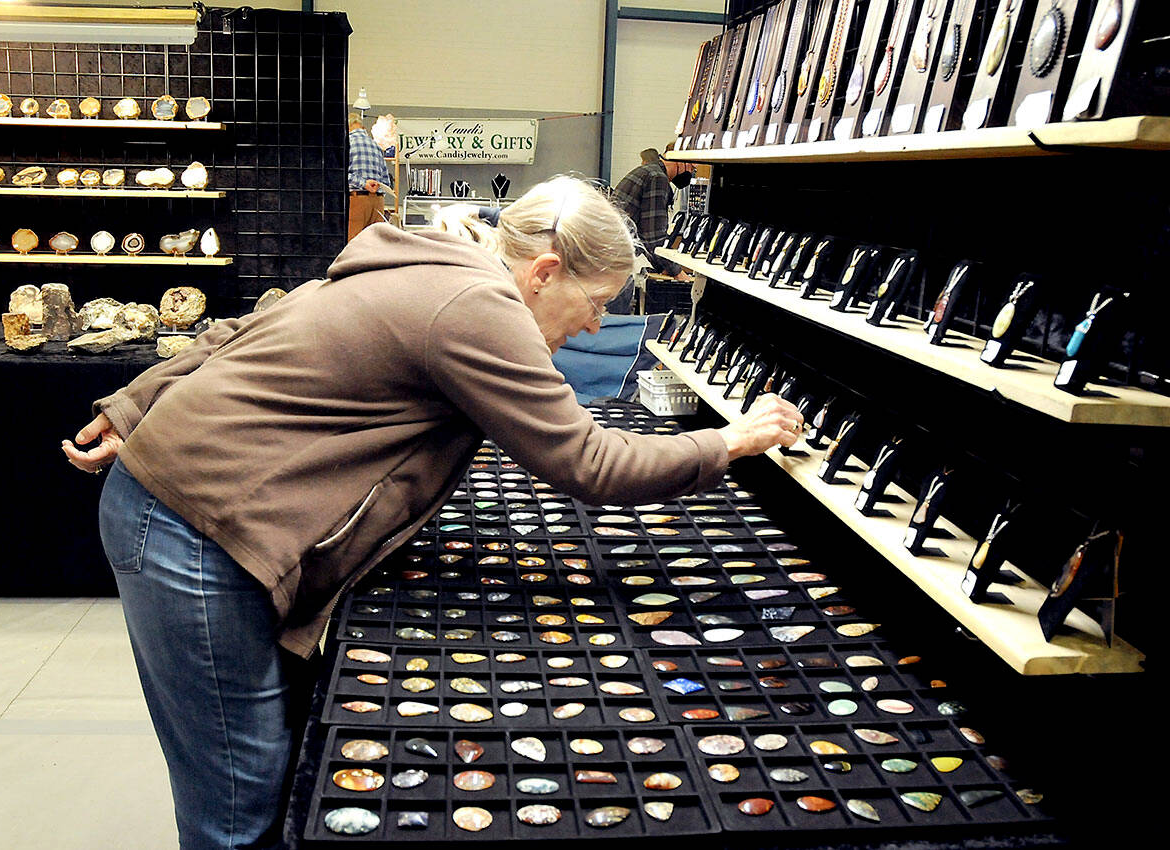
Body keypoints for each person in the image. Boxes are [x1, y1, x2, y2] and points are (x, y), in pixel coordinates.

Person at [61, 175, 802, 850]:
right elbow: (590, 463)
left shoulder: (432, 259)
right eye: (599, 303)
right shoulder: (477, 307)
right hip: (191, 528)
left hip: (190, 510)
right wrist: (729, 440)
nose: (590, 327)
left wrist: (140, 399)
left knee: (268, 750)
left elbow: (261, 324)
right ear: (545, 273)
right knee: (237, 793)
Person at [610, 147, 695, 287]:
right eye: (692, 168)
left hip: (610, 254)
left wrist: (663, 267)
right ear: (680, 162)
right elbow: (653, 236)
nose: (691, 173)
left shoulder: (649, 171)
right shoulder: (657, 178)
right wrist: (677, 272)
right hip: (617, 260)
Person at [347, 112, 393, 241]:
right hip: (378, 202)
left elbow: (340, 175)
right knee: (374, 245)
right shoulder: (376, 146)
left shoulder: (346, 143)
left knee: (353, 245)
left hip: (356, 200)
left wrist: (364, 183)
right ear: (362, 128)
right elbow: (385, 180)